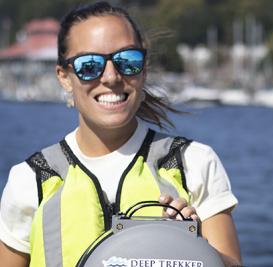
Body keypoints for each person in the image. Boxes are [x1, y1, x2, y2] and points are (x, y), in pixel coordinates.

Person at [0, 1, 242, 267]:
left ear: (144, 68)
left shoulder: (193, 163)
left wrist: (192, 247)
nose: (112, 77)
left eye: (127, 61)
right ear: (64, 77)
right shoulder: (31, 179)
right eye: (89, 65)